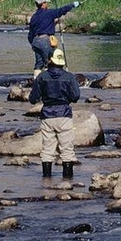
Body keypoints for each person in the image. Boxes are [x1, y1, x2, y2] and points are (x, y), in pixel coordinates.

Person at [29, 48, 81, 180]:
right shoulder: (69, 77)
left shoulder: (42, 77)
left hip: (47, 116)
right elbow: (75, 97)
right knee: (67, 150)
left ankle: (46, 181)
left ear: (49, 60)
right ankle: (67, 181)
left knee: (47, 149)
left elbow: (33, 98)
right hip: (64, 115)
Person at [28, 0, 80, 78]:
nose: (47, 5)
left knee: (39, 63)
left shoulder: (34, 17)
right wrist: (72, 5)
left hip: (35, 41)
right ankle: (49, 81)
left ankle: (36, 81)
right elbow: (61, 11)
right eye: (46, 3)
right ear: (43, 4)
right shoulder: (49, 13)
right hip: (45, 41)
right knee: (49, 62)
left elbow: (31, 33)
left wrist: (33, 43)